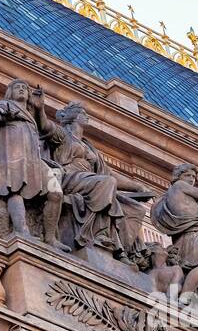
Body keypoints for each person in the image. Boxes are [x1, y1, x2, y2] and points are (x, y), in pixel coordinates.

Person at [40, 101, 152, 258]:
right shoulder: (63, 135)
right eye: (83, 113)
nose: (87, 116)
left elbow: (108, 174)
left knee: (134, 208)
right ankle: (99, 233)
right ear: (73, 117)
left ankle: (124, 251)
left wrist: (137, 187)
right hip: (68, 177)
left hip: (91, 181)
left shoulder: (88, 146)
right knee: (106, 183)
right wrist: (39, 107)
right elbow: (45, 126)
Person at [0, 80, 65, 250]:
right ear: (10, 92)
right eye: (17, 87)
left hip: (34, 160)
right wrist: (6, 115)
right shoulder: (5, 105)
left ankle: (50, 238)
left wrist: (40, 107)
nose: (21, 90)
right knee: (14, 191)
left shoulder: (30, 113)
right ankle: (22, 231)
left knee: (56, 192)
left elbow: (46, 129)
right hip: (13, 157)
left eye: (25, 88)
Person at [149, 163, 198, 303]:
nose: (191, 179)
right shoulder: (179, 186)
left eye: (193, 177)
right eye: (188, 175)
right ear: (178, 177)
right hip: (194, 233)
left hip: (194, 233)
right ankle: (184, 297)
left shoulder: (173, 194)